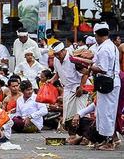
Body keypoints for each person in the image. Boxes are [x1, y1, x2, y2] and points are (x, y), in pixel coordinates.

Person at [86, 22, 121, 150]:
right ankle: (106, 139)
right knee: (104, 112)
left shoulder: (105, 48)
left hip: (108, 82)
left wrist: (90, 67)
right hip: (109, 82)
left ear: (97, 35)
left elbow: (103, 68)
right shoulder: (110, 46)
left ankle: (110, 141)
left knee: (107, 113)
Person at [50, 41, 88, 143]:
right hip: (67, 88)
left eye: (59, 54)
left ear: (64, 50)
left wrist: (81, 87)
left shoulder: (73, 58)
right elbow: (58, 73)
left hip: (78, 86)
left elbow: (85, 73)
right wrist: (52, 80)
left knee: (81, 112)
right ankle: (72, 136)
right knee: (67, 115)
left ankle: (85, 136)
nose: (57, 56)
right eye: (55, 54)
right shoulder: (56, 60)